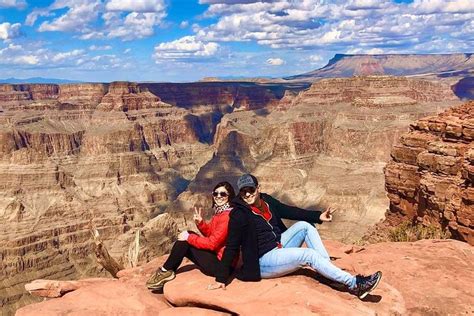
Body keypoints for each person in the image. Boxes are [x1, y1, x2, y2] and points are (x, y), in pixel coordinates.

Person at [208, 174, 382, 299]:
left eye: (251, 189)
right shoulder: (239, 214)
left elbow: (289, 210)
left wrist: (318, 216)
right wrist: (221, 279)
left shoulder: (266, 200)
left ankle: (326, 271)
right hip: (263, 261)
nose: (247, 194)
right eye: (243, 191)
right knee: (308, 255)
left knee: (305, 227)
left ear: (258, 189)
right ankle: (355, 284)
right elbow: (231, 245)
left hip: (278, 245)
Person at [146, 181, 236, 291]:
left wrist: (189, 238)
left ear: (229, 196)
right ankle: (168, 271)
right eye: (215, 193)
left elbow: (212, 244)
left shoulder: (227, 216)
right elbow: (212, 235)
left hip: (221, 266)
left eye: (223, 194)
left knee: (185, 241)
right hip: (217, 256)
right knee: (188, 233)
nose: (218, 196)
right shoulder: (221, 212)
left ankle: (165, 271)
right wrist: (201, 223)